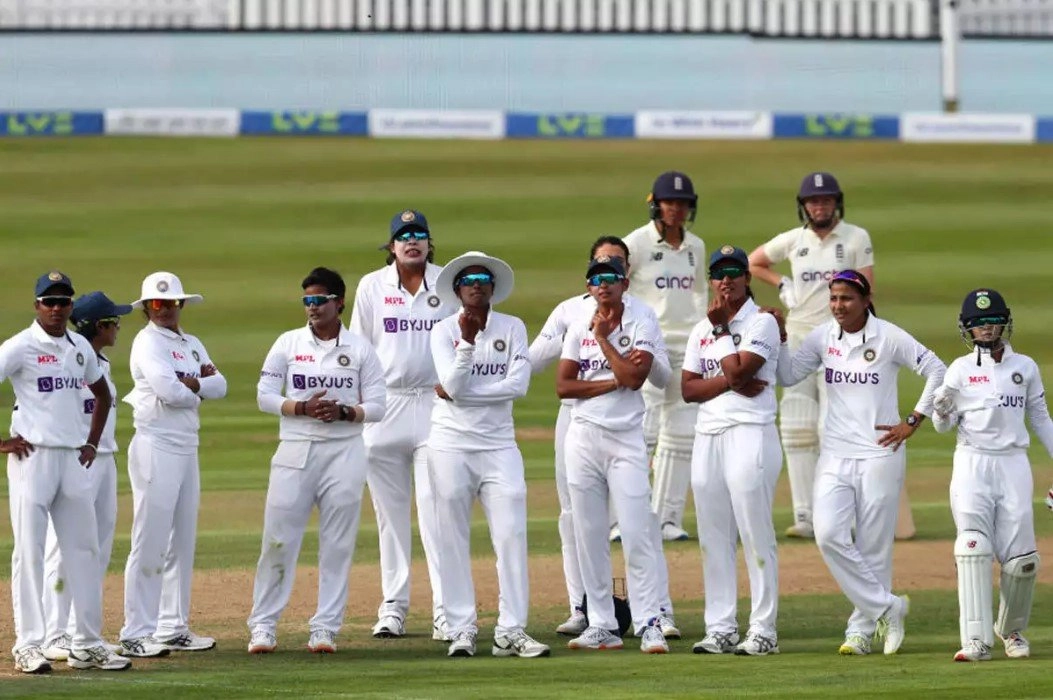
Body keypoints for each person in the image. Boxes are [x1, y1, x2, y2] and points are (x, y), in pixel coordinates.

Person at [775, 270, 944, 656]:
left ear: (865, 300)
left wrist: (914, 420)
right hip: (835, 453)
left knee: (873, 545)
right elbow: (787, 375)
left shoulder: (888, 336)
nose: (838, 306)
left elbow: (937, 369)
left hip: (879, 452)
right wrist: (782, 338)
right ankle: (888, 607)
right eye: (834, 298)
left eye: (846, 298)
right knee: (829, 534)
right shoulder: (822, 336)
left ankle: (860, 631)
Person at [748, 172, 918, 539]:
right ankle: (806, 515)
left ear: (836, 203)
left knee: (834, 428)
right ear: (803, 206)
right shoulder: (794, 240)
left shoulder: (856, 238)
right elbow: (752, 262)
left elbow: (866, 287)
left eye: (825, 200)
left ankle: (843, 512)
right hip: (797, 338)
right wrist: (783, 283)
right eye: (813, 201)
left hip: (841, 343)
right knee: (795, 429)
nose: (819, 206)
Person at [528, 236, 679, 639]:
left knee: (637, 526)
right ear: (590, 273)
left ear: (627, 274)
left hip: (627, 429)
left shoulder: (643, 314)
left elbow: (651, 377)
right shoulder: (571, 314)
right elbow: (545, 370)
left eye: (615, 265)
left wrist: (619, 366)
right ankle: (593, 616)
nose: (606, 275)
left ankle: (655, 617)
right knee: (580, 523)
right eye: (599, 266)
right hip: (578, 425)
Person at [248, 267, 387, 655]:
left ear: (339, 302)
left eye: (319, 300)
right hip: (295, 449)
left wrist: (344, 413)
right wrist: (301, 407)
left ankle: (325, 627)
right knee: (278, 539)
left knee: (337, 543)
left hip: (344, 451)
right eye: (307, 300)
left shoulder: (360, 349)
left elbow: (378, 405)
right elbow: (263, 395)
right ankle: (263, 626)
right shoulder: (288, 343)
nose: (312, 307)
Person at [1, 271, 128, 673]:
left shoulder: (78, 347)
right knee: (31, 552)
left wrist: (91, 442)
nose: (56, 309)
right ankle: (29, 644)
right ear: (37, 305)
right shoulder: (20, 346)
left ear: (71, 307)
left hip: (73, 459)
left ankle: (86, 643)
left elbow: (103, 394)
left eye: (63, 302)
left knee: (85, 550)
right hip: (32, 458)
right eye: (48, 302)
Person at [427, 251, 549, 658]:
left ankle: (510, 630)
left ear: (493, 287)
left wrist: (462, 394)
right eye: (468, 279)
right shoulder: (442, 330)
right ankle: (462, 628)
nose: (476, 284)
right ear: (458, 290)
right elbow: (453, 383)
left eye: (483, 278)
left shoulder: (512, 327)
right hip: (450, 445)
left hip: (499, 446)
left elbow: (518, 386)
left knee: (512, 535)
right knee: (452, 537)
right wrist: (464, 343)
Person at [349, 210, 456, 641]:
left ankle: (446, 610)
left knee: (437, 512)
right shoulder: (372, 286)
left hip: (434, 407)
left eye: (420, 235)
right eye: (403, 236)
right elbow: (359, 349)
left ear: (430, 243)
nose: (412, 241)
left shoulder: (448, 283)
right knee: (390, 517)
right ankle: (393, 607)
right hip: (386, 406)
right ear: (391, 246)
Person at [931, 289, 1052, 662]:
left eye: (991, 321)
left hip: (1013, 463)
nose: (985, 329)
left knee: (1021, 561)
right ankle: (975, 641)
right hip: (972, 462)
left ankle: (1011, 632)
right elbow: (942, 426)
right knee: (973, 547)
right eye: (977, 324)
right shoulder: (959, 369)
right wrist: (940, 410)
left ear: (1004, 322)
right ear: (967, 329)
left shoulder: (1025, 367)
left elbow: (1040, 419)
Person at [119, 271, 227, 657]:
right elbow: (168, 391)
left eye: (172, 303)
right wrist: (198, 384)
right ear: (147, 307)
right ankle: (135, 631)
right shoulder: (146, 342)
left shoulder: (191, 343)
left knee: (182, 538)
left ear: (180, 304)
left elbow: (222, 385)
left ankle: (172, 626)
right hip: (156, 444)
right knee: (149, 539)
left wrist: (192, 383)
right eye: (158, 304)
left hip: (186, 444)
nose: (165, 310)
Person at [682, 246, 782, 656]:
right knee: (714, 537)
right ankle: (720, 627)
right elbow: (689, 389)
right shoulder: (700, 329)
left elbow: (741, 369)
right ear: (712, 279)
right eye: (719, 273)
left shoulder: (763, 323)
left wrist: (724, 338)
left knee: (756, 534)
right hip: (708, 435)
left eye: (734, 272)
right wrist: (731, 380)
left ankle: (763, 630)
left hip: (751, 432)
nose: (726, 280)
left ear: (747, 278)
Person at [41, 292, 135, 663]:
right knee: (62, 550)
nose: (118, 327)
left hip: (104, 457)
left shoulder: (98, 362)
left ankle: (84, 632)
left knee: (95, 549)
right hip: (78, 460)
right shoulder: (69, 361)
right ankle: (56, 632)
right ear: (100, 326)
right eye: (114, 321)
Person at [623, 170, 707, 541]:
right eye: (670, 203)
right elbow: (612, 288)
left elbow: (700, 295)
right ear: (656, 204)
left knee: (682, 433)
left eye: (683, 204)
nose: (676, 209)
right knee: (645, 431)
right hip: (650, 343)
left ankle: (667, 519)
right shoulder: (636, 244)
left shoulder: (697, 247)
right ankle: (628, 517)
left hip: (689, 344)